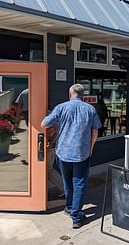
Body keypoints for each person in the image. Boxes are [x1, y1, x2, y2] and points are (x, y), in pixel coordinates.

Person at [41, 84, 101, 229]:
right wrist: (91, 148)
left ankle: (69, 207)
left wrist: (58, 124)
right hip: (81, 153)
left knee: (68, 182)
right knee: (79, 183)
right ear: (83, 95)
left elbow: (44, 123)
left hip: (63, 152)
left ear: (70, 94)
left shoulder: (61, 107)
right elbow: (95, 131)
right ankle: (76, 215)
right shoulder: (90, 109)